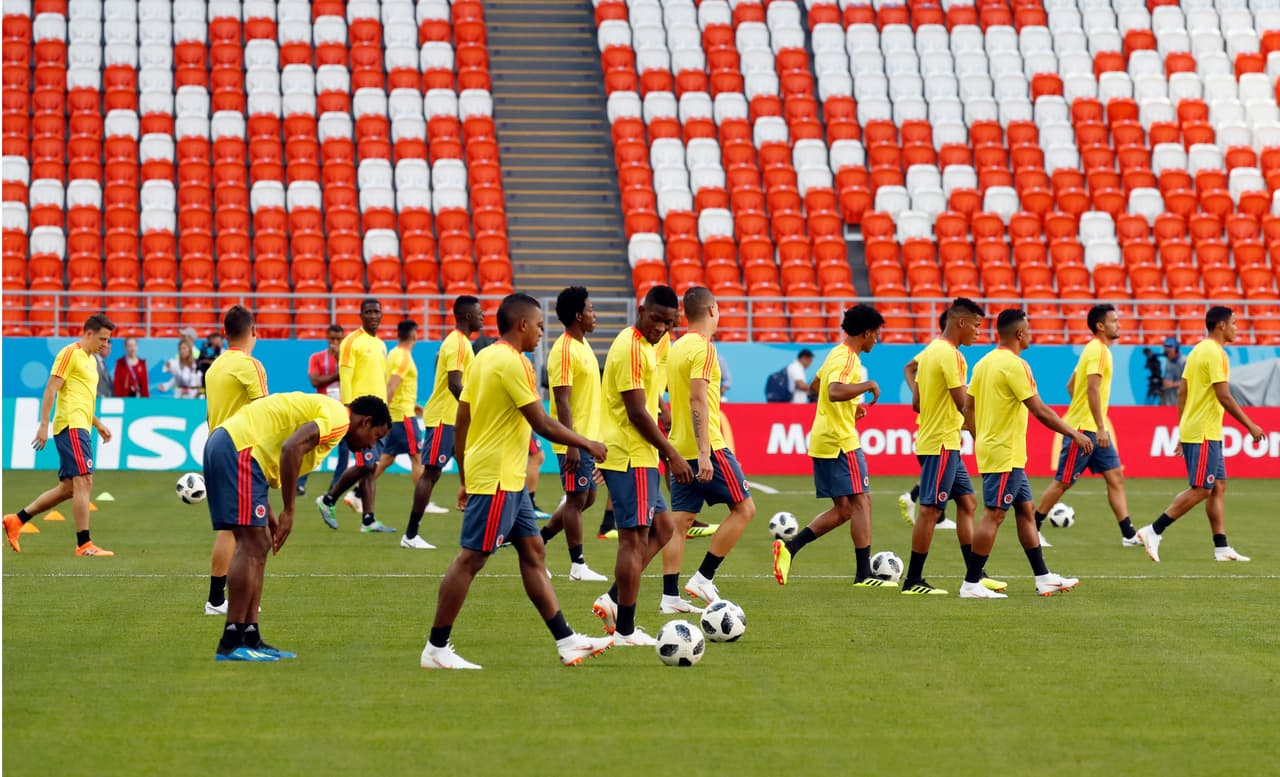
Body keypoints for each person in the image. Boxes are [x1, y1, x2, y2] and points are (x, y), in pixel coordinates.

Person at [420, 294, 614, 669]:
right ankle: (436, 648)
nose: (542, 333)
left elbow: (463, 419)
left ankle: (566, 640)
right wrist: (586, 442)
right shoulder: (514, 363)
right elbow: (542, 422)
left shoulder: (483, 357)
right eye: (539, 326)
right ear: (522, 325)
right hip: (498, 476)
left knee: (533, 552)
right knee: (471, 559)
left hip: (499, 474)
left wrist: (463, 475)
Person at [205, 392, 391, 661]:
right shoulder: (339, 418)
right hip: (238, 450)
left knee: (261, 543)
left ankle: (250, 636)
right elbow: (291, 448)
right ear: (366, 422)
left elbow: (271, 446)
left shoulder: (331, 415)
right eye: (375, 436)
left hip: (238, 449)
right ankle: (231, 642)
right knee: (253, 544)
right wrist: (289, 510)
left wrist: (267, 508)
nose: (370, 447)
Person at [959, 309, 1091, 599]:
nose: (1031, 334)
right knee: (993, 515)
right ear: (1020, 334)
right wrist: (1074, 433)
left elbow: (967, 406)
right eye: (1028, 330)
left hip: (1002, 452)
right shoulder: (1016, 365)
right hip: (1005, 453)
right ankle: (971, 583)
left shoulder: (983, 364)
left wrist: (979, 436)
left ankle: (1043, 577)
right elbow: (1039, 409)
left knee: (1025, 512)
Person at [591, 285, 692, 647]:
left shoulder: (646, 345)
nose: (662, 328)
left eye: (669, 322)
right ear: (641, 310)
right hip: (632, 454)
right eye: (656, 319)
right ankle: (625, 631)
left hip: (640, 456)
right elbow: (635, 412)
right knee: (633, 542)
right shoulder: (633, 349)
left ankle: (614, 598)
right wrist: (672, 454)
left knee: (663, 529)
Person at [772, 304, 893, 588]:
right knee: (862, 501)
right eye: (876, 334)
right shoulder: (849, 359)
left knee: (844, 509)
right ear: (866, 333)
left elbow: (816, 386)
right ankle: (864, 575)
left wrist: (851, 406)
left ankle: (789, 549)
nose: (877, 339)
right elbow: (832, 390)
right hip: (841, 442)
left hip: (824, 439)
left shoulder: (834, 355)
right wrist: (866, 386)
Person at [1136, 307, 1265, 563]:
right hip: (1205, 431)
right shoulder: (1216, 353)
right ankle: (1154, 530)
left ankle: (1221, 547)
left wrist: (1183, 429)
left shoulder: (1196, 350)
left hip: (1203, 429)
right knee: (1201, 488)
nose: (1236, 328)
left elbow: (1182, 392)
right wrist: (1250, 425)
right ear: (1221, 325)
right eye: (1234, 323)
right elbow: (1224, 395)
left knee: (1217, 486)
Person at [898, 298, 1005, 596]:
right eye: (977, 326)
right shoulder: (953, 356)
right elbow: (963, 404)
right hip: (942, 444)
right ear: (961, 322)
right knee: (930, 510)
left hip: (939, 441)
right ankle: (913, 581)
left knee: (968, 503)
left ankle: (975, 575)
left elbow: (917, 403)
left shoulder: (930, 351)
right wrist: (984, 432)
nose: (979, 333)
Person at [663, 287, 756, 611]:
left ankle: (669, 597)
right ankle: (704, 578)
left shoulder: (676, 348)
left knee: (680, 522)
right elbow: (696, 397)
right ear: (713, 309)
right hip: (709, 446)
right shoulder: (704, 348)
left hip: (679, 445)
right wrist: (705, 451)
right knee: (745, 509)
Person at [5, 314, 117, 556]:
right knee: (85, 481)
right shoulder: (70, 353)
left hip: (83, 426)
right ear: (88, 333)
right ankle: (84, 544)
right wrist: (43, 425)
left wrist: (97, 424)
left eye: (108, 340)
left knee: (68, 489)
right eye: (102, 339)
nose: (105, 344)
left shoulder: (91, 361)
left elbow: (80, 398)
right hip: (71, 426)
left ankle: (17, 519)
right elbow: (51, 388)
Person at [1031, 304, 1142, 548]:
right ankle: (1033, 526)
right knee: (1064, 482)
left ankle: (1128, 534)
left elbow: (1072, 385)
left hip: (1090, 425)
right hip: (1085, 429)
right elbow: (1091, 388)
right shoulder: (1099, 351)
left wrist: (1085, 411)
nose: (1119, 324)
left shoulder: (1092, 350)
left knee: (1115, 477)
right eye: (1114, 320)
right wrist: (1099, 426)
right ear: (1101, 326)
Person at [201, 306, 269, 615]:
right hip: (240, 449)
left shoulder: (214, 367)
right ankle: (221, 600)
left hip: (216, 444)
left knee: (234, 527)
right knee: (243, 530)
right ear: (253, 331)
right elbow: (267, 413)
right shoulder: (249, 365)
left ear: (226, 332)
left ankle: (219, 599)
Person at [538, 286, 609, 581]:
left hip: (586, 439)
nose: (595, 315)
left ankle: (537, 542)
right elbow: (562, 399)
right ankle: (577, 565)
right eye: (591, 310)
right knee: (576, 499)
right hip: (574, 440)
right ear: (578, 315)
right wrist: (572, 444)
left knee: (585, 498)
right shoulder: (565, 350)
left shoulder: (581, 346)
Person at [402, 296, 485, 548]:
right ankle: (411, 535)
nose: (482, 317)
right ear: (466, 316)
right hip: (444, 418)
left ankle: (483, 531)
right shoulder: (458, 344)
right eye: (479, 313)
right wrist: (476, 411)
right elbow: (454, 384)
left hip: (455, 419)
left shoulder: (461, 343)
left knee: (474, 471)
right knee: (431, 473)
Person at [316, 298, 394, 533]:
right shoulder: (351, 341)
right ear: (361, 315)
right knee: (367, 464)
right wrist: (349, 412)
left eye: (376, 312)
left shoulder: (380, 344)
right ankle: (328, 500)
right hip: (361, 416)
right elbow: (345, 376)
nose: (372, 316)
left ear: (381, 315)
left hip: (377, 415)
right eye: (368, 312)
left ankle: (368, 519)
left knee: (370, 466)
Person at [296, 324, 343, 495]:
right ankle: (299, 483)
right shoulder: (317, 357)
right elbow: (314, 381)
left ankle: (335, 487)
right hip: (323, 406)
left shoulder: (348, 359)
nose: (335, 342)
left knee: (344, 449)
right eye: (332, 339)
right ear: (327, 338)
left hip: (344, 408)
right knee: (312, 444)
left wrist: (340, 362)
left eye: (339, 339)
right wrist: (337, 375)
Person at [377, 319, 425, 485]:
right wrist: (383, 415)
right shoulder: (404, 358)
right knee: (418, 457)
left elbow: (395, 387)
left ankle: (357, 493)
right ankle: (423, 502)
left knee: (387, 459)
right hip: (403, 416)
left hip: (398, 412)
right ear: (413, 334)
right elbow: (392, 387)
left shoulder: (393, 353)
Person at [1161, 337, 1186, 406]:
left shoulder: (1184, 361)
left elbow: (1189, 382)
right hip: (1169, 399)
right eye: (1165, 352)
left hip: (1181, 400)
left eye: (1168, 352)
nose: (1166, 354)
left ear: (1176, 350)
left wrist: (1173, 384)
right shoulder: (1168, 361)